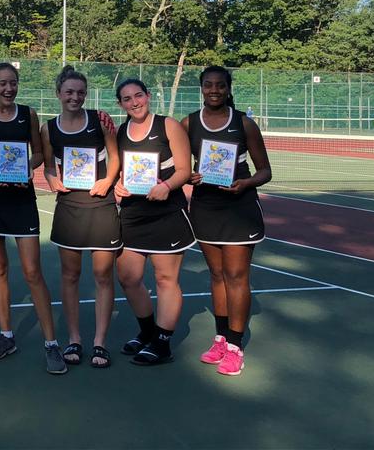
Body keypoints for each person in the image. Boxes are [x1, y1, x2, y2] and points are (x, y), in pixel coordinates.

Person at [0, 62, 67, 375]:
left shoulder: (28, 114)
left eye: (13, 83)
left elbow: (38, 153)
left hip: (21, 198)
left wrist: (24, 168)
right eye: (3, 83)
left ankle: (51, 343)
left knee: (33, 271)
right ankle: (7, 335)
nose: (9, 89)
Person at [183, 66, 272, 377]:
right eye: (208, 85)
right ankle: (220, 338)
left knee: (236, 275)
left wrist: (245, 184)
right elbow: (179, 165)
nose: (214, 90)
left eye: (220, 85)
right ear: (201, 88)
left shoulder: (244, 123)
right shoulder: (189, 123)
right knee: (218, 274)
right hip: (206, 205)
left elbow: (264, 171)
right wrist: (188, 175)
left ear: (228, 88)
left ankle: (235, 347)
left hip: (239, 207)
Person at [41, 65, 120, 369]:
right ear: (59, 94)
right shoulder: (49, 128)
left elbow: (115, 157)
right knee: (70, 276)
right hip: (69, 207)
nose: (75, 97)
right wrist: (51, 179)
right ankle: (74, 338)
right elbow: (49, 166)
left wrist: (108, 181)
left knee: (102, 276)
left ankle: (100, 342)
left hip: (101, 204)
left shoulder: (100, 121)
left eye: (80, 92)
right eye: (69, 92)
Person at [113, 78, 194, 366]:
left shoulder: (168, 125)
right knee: (129, 278)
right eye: (127, 98)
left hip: (166, 213)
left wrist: (167, 186)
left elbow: (185, 169)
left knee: (165, 279)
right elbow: (121, 172)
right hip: (133, 214)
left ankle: (162, 342)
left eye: (138, 96)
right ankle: (147, 332)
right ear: (120, 103)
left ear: (148, 96)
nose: (134, 102)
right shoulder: (121, 132)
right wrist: (118, 187)